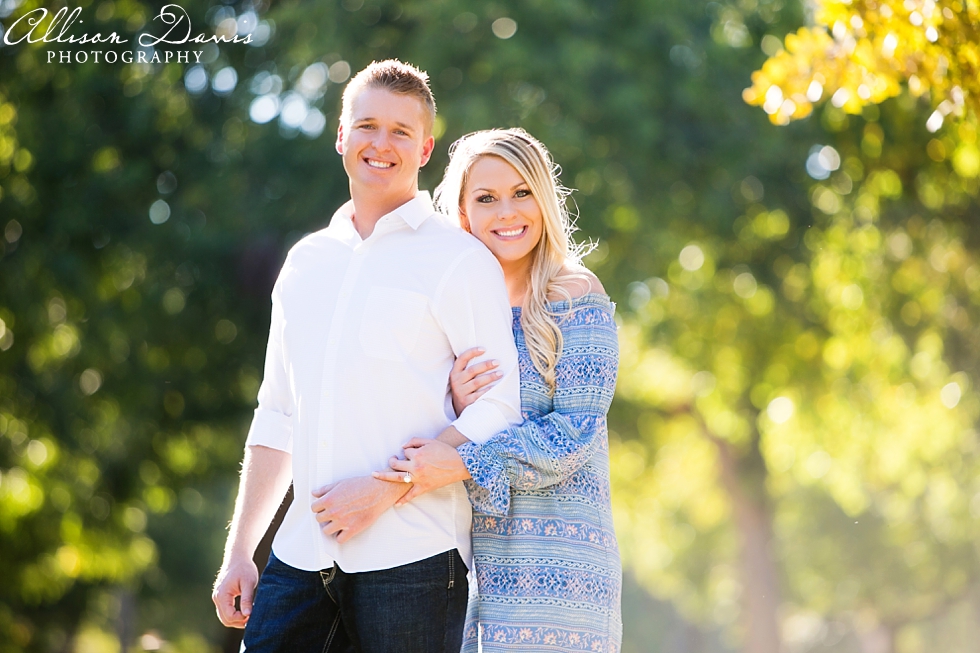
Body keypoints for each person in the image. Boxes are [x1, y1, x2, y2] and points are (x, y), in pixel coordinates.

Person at [211, 61, 523, 653]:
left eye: (401, 132)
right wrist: (240, 552)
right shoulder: (304, 263)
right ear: (341, 136)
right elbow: (276, 414)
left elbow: (499, 408)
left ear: (426, 147)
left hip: (415, 557)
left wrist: (385, 489)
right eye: (368, 126)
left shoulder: (459, 260)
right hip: (299, 556)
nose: (382, 144)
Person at [373, 128, 623, 652]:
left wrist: (465, 458)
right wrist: (457, 407)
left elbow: (573, 434)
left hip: (561, 576)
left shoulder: (576, 294)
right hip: (468, 572)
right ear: (463, 214)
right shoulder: (452, 307)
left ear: (543, 198)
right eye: (486, 198)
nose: (507, 211)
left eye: (521, 192)